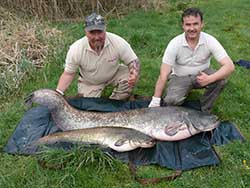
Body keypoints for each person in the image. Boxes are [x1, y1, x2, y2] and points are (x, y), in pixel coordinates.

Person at [149, 7, 235, 113]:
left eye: (195, 24)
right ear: (183, 26)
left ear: (202, 24)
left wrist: (210, 78)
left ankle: (204, 109)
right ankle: (182, 94)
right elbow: (163, 74)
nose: (192, 28)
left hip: (202, 74)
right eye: (188, 25)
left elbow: (230, 66)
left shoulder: (210, 40)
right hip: (179, 77)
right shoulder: (174, 43)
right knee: (172, 101)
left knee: (220, 81)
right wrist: (155, 101)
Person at [56, 13, 140, 100]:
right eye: (92, 33)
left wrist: (134, 73)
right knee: (88, 105)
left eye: (100, 32)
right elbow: (69, 74)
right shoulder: (76, 49)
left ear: (105, 29)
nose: (96, 37)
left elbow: (133, 61)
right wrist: (58, 93)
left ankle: (116, 101)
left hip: (114, 73)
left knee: (129, 77)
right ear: (86, 31)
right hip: (90, 82)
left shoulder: (117, 41)